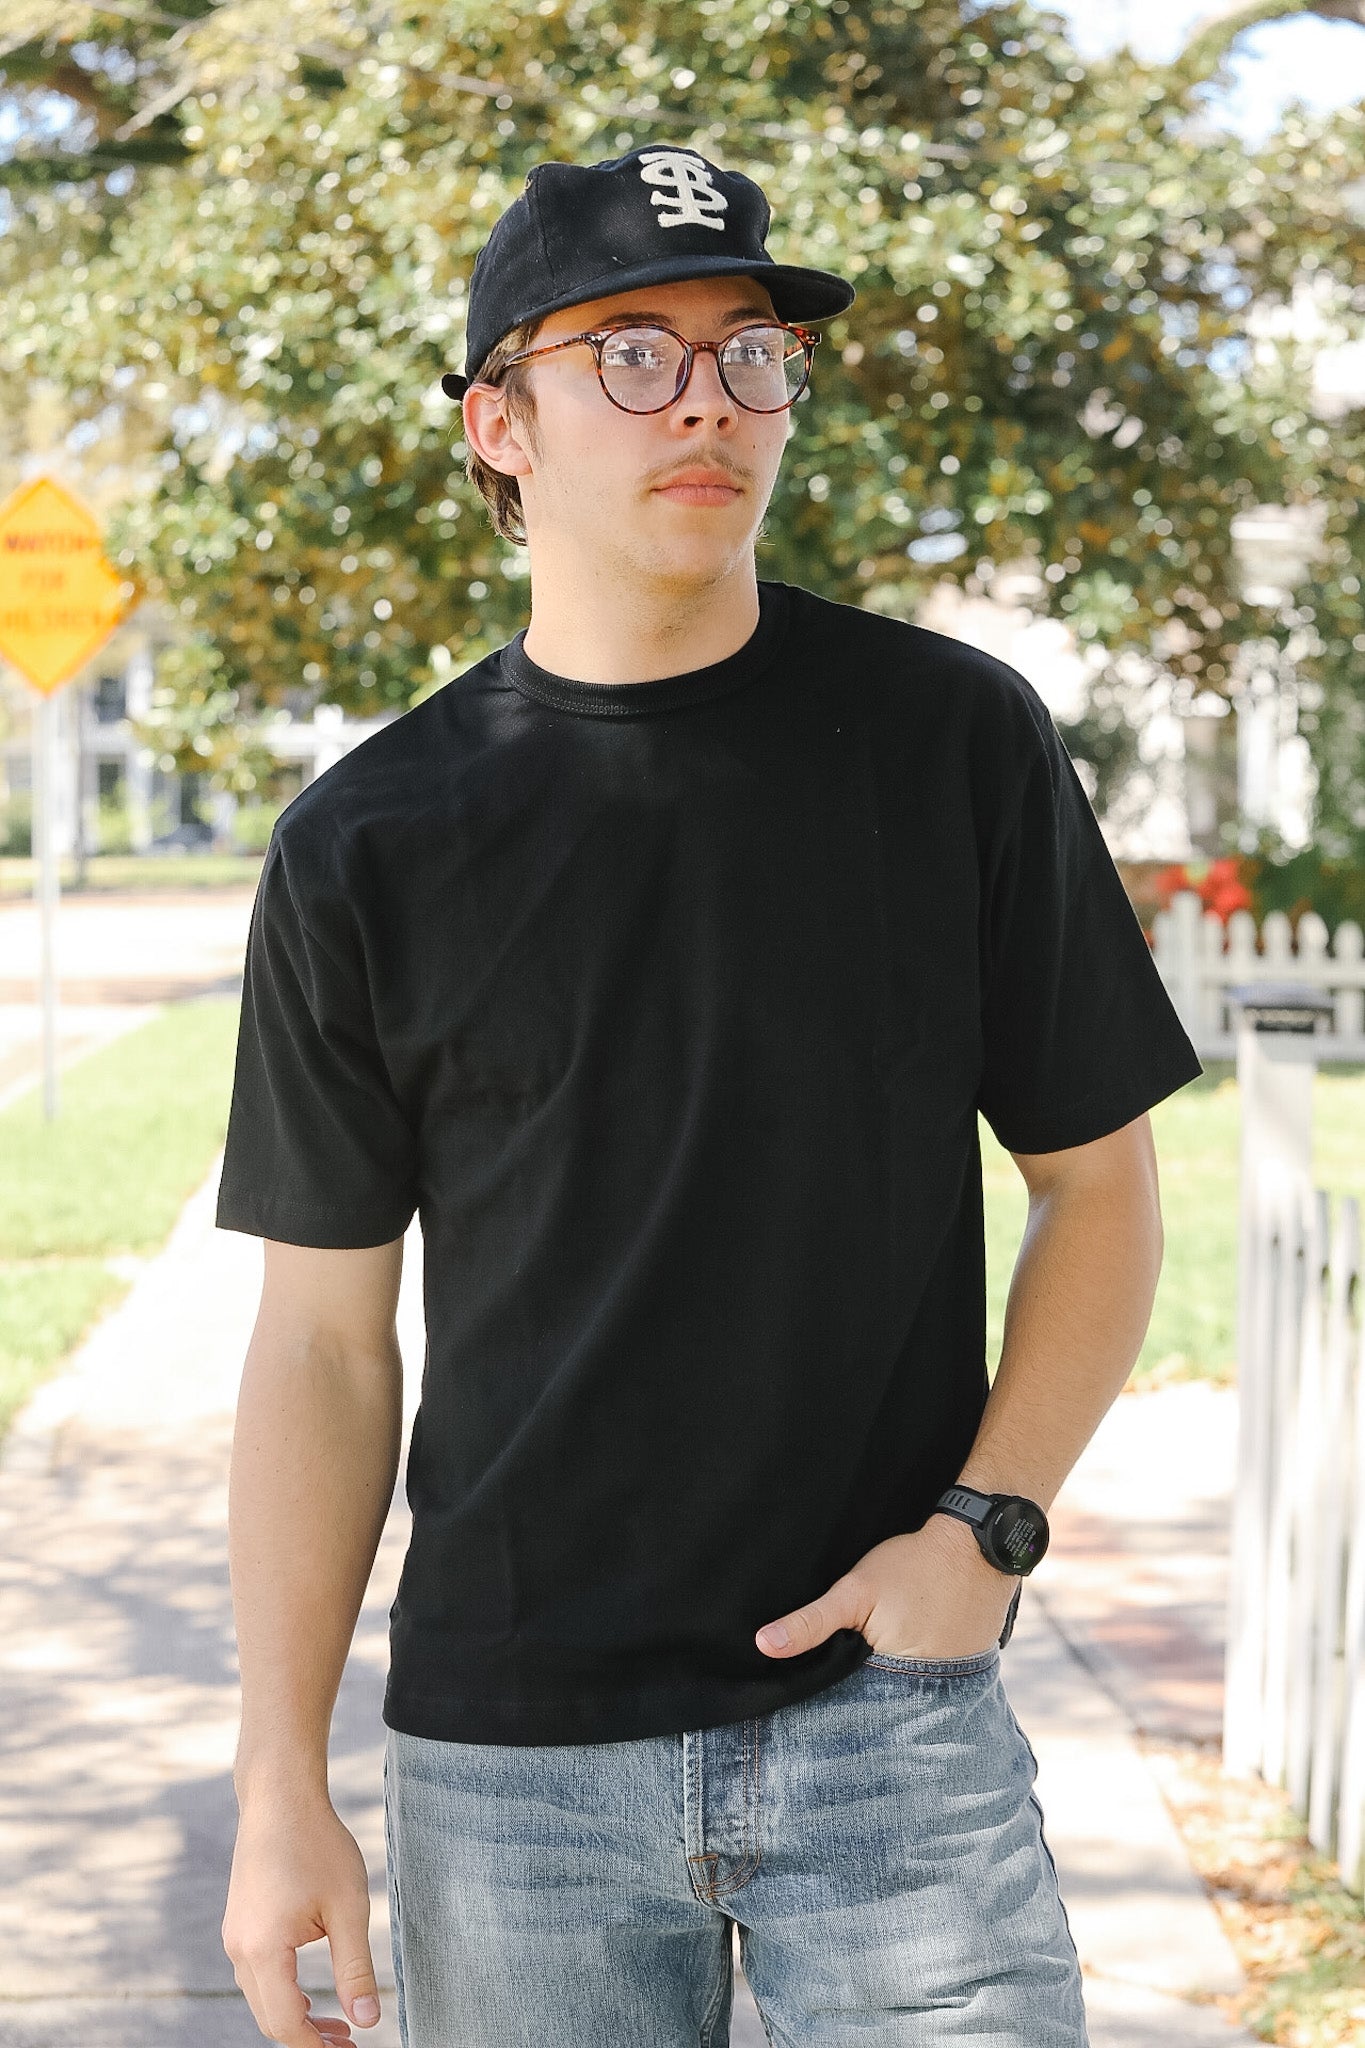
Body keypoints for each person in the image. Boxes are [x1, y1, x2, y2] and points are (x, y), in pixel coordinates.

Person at [218, 142, 1204, 2048]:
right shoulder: (366, 845)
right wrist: (281, 1788)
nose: (712, 405)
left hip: (887, 1732)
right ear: (500, 423)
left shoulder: (950, 741)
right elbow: (324, 1349)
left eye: (749, 355)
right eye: (632, 355)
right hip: (511, 1772)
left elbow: (1099, 1188)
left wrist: (985, 1535)